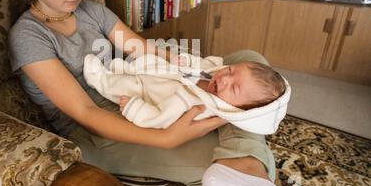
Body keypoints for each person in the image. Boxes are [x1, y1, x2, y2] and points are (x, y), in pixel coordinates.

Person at [8, 0, 292, 186]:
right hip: (100, 129)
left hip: (144, 86)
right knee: (218, 162)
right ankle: (250, 162)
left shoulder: (91, 11)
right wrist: (166, 138)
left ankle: (246, 162)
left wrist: (188, 66)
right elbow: (85, 111)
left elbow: (141, 49)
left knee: (249, 60)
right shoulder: (29, 36)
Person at [83, 53, 290, 135]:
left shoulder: (196, 106)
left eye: (234, 88)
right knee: (144, 64)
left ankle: (101, 80)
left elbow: (159, 119)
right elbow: (205, 65)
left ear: (237, 110)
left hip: (145, 91)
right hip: (162, 75)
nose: (225, 78)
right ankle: (124, 68)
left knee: (123, 86)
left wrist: (134, 109)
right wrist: (187, 62)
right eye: (230, 70)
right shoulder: (214, 78)